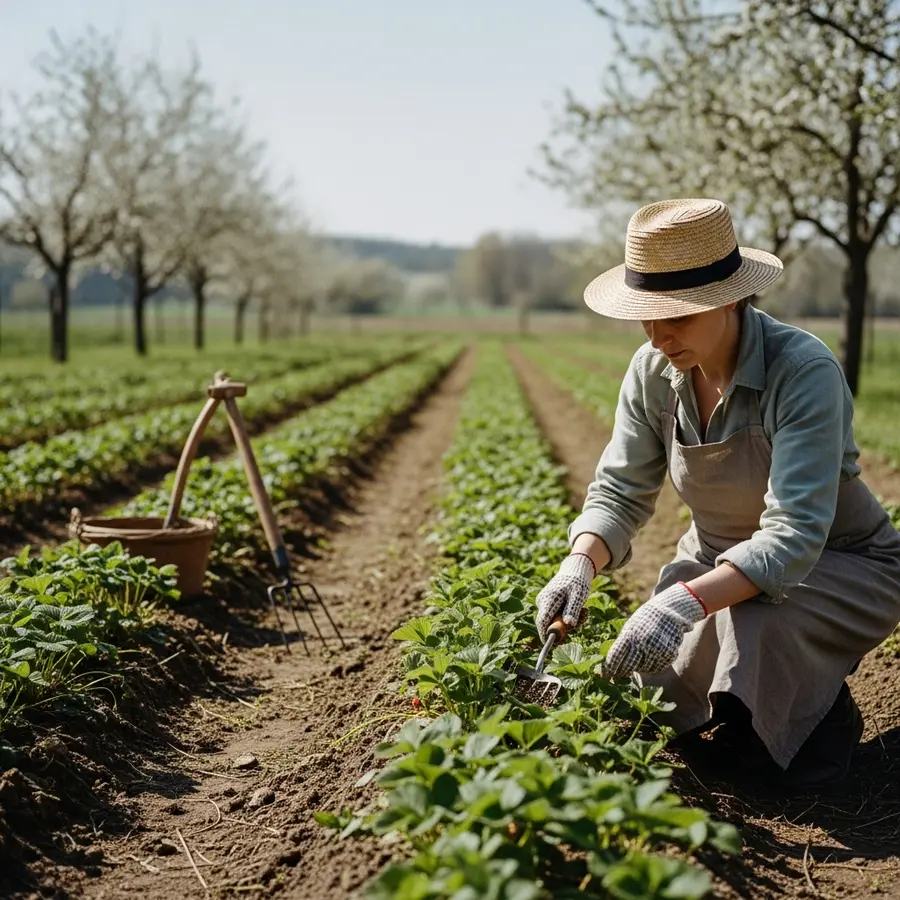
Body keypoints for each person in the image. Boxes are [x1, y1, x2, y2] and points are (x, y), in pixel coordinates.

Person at [534, 198, 900, 788]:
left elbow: (794, 534)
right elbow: (621, 488)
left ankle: (822, 730)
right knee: (642, 694)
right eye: (646, 317)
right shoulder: (653, 372)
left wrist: (684, 602)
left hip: (838, 564)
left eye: (675, 316)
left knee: (754, 628)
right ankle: (765, 706)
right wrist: (580, 564)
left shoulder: (801, 370)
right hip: (713, 561)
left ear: (728, 297)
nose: (658, 336)